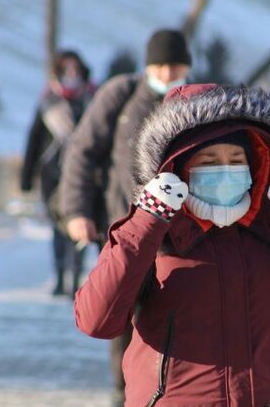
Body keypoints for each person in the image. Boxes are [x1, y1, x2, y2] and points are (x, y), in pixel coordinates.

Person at [74, 84, 270, 406]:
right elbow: (96, 320)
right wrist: (147, 220)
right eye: (208, 162)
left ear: (256, 167)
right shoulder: (153, 235)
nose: (225, 171)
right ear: (178, 170)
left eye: (236, 160)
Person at [59, 28, 192, 405]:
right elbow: (82, 153)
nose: (167, 73)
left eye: (175, 65)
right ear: (148, 64)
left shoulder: (198, 100)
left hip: (183, 235)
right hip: (124, 228)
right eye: (161, 65)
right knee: (121, 313)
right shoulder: (122, 96)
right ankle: (125, 394)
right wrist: (76, 212)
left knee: (173, 313)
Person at [20, 49, 96, 297]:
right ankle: (59, 276)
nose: (71, 74)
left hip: (84, 173)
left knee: (81, 223)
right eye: (66, 70)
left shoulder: (93, 99)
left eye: (75, 69)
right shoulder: (48, 103)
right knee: (57, 228)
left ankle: (75, 277)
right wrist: (27, 176)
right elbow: (34, 140)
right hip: (52, 174)